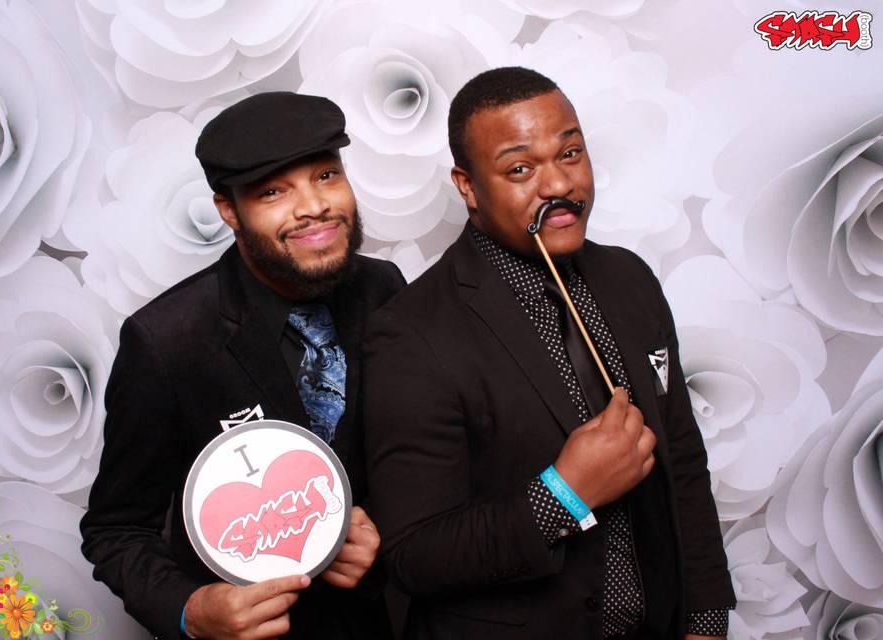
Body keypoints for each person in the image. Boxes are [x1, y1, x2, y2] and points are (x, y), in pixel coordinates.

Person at [363, 67, 735, 640]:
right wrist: (564, 493)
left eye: (571, 153)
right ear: (468, 186)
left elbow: (682, 461)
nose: (559, 186)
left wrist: (705, 621)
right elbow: (413, 554)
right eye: (519, 169)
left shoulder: (630, 280)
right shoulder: (410, 333)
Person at [80, 92, 405, 640]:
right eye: (273, 191)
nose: (313, 206)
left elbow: (414, 455)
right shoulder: (166, 341)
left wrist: (384, 530)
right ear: (228, 210)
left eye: (326, 175)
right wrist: (191, 608)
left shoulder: (384, 289)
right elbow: (115, 530)